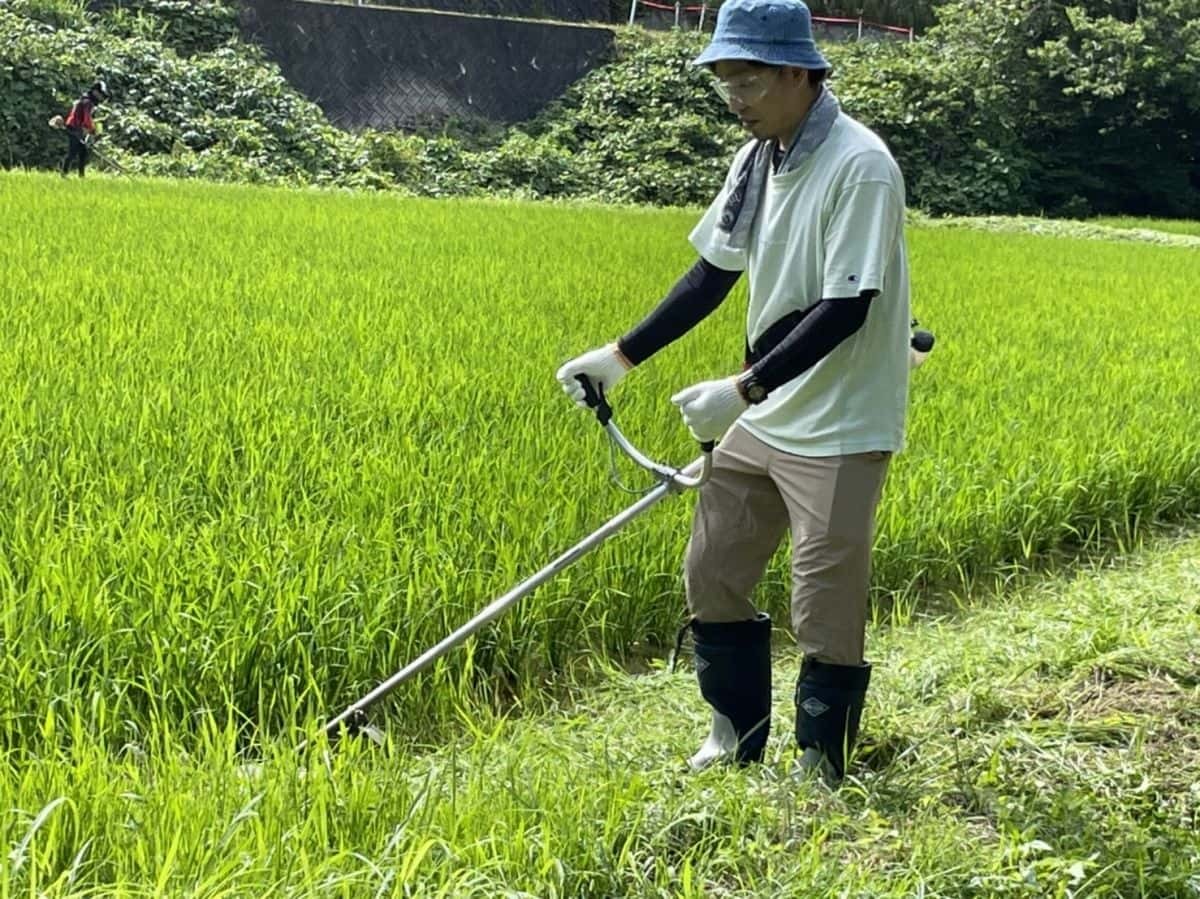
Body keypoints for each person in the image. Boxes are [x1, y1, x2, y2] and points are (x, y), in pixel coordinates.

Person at [555, 0, 911, 786]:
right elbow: (714, 272)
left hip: (843, 419)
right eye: (724, 84)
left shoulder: (860, 165)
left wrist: (742, 387)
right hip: (769, 406)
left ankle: (821, 766)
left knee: (823, 604)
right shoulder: (761, 157)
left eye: (748, 80)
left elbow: (847, 306)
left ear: (798, 72)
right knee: (712, 571)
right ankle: (733, 737)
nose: (736, 99)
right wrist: (621, 356)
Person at [61, 80, 110, 177]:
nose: (101, 98)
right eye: (101, 94)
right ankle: (64, 173)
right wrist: (92, 131)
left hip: (77, 128)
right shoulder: (87, 102)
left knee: (83, 153)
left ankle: (81, 175)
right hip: (74, 128)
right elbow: (87, 119)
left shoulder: (86, 100)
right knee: (73, 152)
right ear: (95, 92)